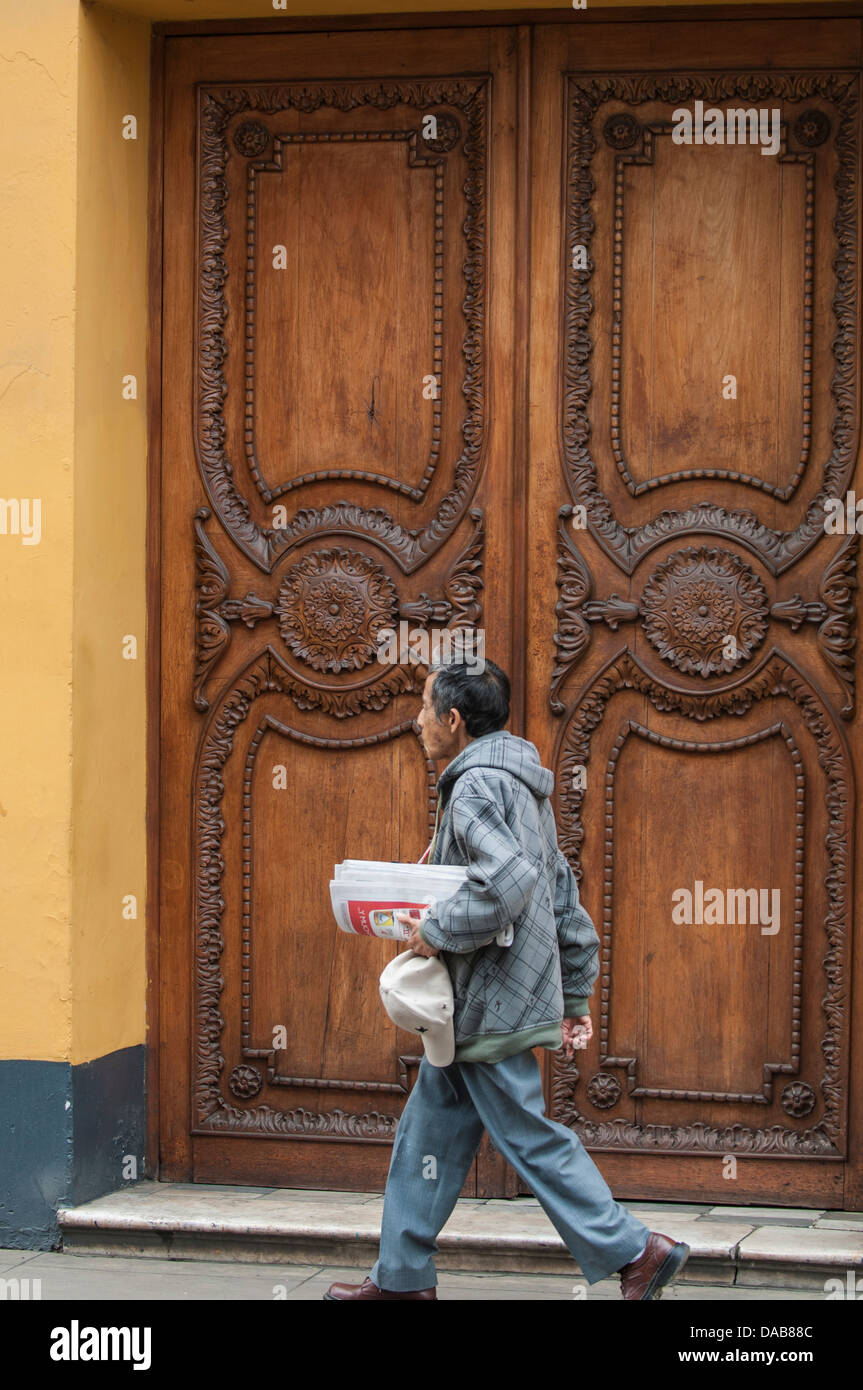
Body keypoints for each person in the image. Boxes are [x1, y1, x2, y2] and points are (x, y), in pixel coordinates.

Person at [325, 657, 689, 1301]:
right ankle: (402, 1280)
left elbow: (513, 882)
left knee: (527, 1136)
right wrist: (574, 991)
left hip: (489, 1002)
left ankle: (637, 1251)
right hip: (488, 1001)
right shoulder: (520, 784)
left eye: (424, 707)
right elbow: (559, 894)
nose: (417, 720)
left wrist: (435, 930)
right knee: (425, 1136)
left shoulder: (473, 786)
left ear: (453, 720)